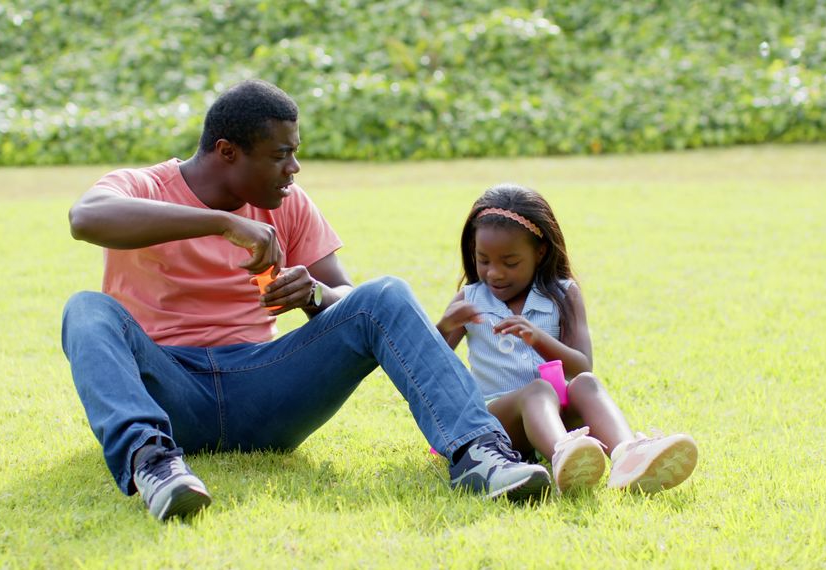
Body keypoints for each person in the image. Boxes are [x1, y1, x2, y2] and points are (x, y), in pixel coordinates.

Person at [61, 80, 551, 521]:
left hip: (265, 388)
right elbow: (86, 218)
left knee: (386, 293)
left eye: (294, 153)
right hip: (170, 390)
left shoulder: (288, 201)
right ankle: (155, 464)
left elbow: (353, 300)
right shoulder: (144, 186)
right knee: (86, 309)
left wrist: (313, 294)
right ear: (228, 152)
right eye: (280, 155)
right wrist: (223, 222)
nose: (293, 169)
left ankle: (480, 454)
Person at [435, 184, 698, 494]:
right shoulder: (470, 299)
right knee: (537, 390)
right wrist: (445, 324)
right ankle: (563, 455)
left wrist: (539, 339)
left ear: (540, 252)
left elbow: (581, 365)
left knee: (586, 384)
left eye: (510, 262)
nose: (494, 273)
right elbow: (428, 366)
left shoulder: (562, 294)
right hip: (497, 422)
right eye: (484, 260)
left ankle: (628, 455)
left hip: (555, 412)